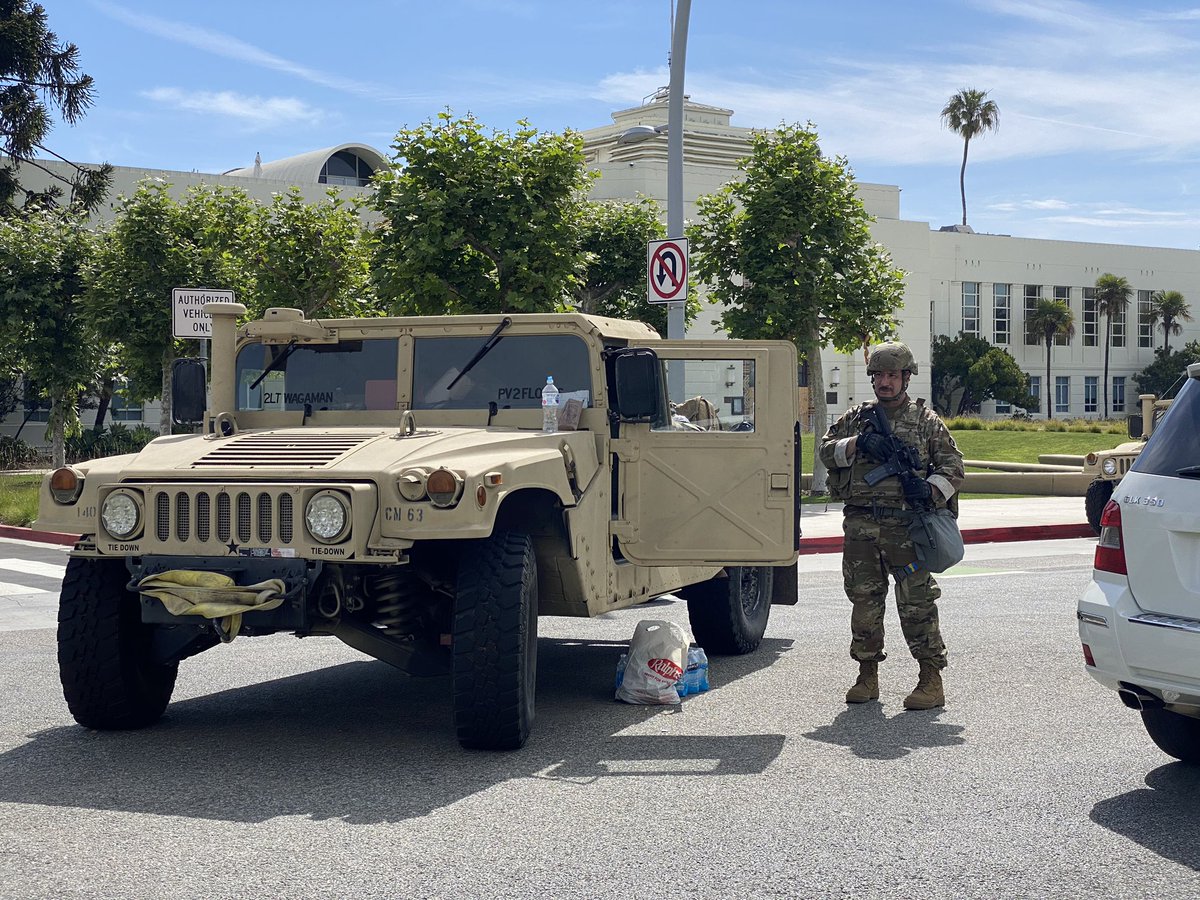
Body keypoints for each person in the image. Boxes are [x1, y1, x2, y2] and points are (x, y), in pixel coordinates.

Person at [818, 342, 965, 710]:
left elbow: (954, 469)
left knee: (917, 603)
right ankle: (867, 675)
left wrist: (927, 490)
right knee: (864, 602)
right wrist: (858, 443)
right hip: (862, 526)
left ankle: (931, 679)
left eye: (892, 375)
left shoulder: (926, 421)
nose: (884, 382)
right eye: (878, 375)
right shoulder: (857, 417)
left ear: (905, 378)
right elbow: (825, 450)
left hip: (907, 527)